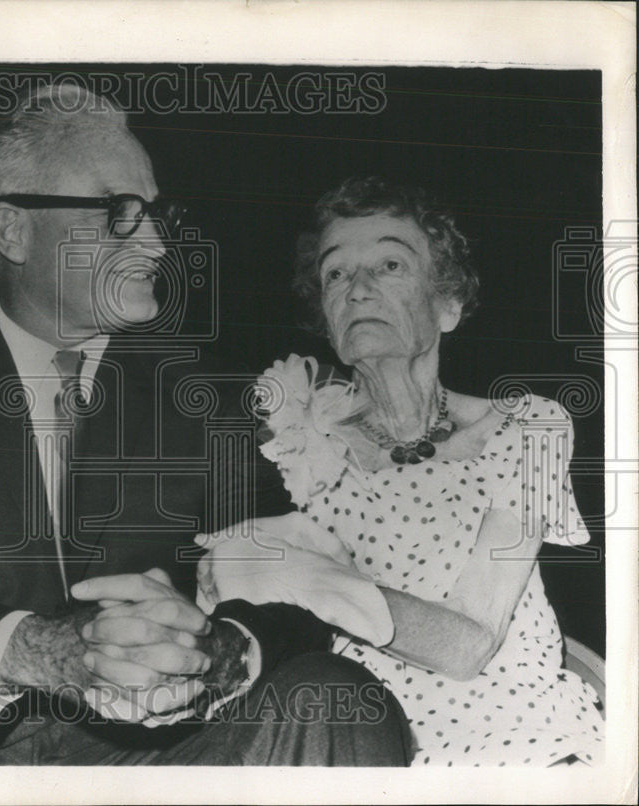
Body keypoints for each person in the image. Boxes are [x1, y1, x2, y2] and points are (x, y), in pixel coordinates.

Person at [0, 86, 412, 765]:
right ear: (13, 227)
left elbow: (301, 586)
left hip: (160, 758)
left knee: (335, 693)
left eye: (157, 212)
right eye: (120, 211)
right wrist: (32, 650)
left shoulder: (216, 397)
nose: (159, 243)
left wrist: (223, 651)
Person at [197, 176, 604, 766]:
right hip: (350, 743)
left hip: (516, 739)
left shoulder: (532, 428)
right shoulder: (297, 448)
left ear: (448, 304)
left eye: (390, 265)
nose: (358, 289)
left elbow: (468, 644)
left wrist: (309, 576)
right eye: (336, 273)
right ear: (325, 314)